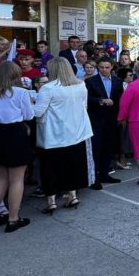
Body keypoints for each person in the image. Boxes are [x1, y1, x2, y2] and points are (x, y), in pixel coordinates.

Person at [34, 58, 94, 213]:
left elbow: (37, 112)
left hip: (54, 134)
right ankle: (72, 196)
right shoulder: (80, 85)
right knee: (71, 166)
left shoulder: (48, 88)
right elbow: (84, 106)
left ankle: (51, 201)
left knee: (50, 168)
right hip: (75, 132)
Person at [0, 62, 35, 232]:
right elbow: (29, 115)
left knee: (1, 177)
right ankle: (13, 218)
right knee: (16, 178)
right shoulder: (21, 92)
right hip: (14, 133)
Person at [85, 57, 123, 189]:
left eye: (107, 67)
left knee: (108, 148)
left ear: (112, 67)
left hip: (112, 119)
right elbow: (86, 99)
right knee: (96, 149)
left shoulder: (118, 81)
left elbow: (120, 99)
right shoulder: (90, 81)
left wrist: (121, 117)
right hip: (96, 119)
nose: (104, 70)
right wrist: (101, 101)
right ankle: (94, 178)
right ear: (98, 67)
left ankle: (104, 174)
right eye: (101, 67)